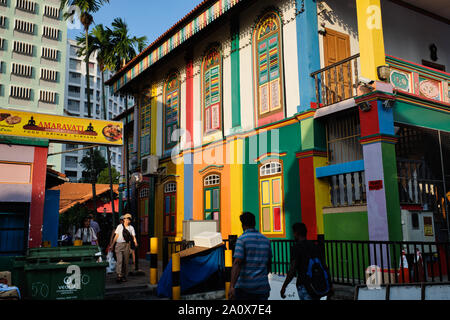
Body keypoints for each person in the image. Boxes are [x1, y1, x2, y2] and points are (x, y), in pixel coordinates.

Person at [280, 223, 332, 300]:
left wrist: (284, 287)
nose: (294, 235)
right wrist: (330, 285)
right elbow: (324, 265)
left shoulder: (296, 248)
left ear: (296, 233)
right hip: (316, 285)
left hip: (304, 286)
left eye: (293, 233)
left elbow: (292, 270)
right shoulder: (315, 245)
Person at [229, 212, 272, 300]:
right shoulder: (266, 240)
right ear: (254, 223)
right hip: (263, 288)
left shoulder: (242, 240)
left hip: (245, 290)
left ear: (242, 224)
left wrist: (232, 286)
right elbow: (269, 264)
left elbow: (237, 263)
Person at [107, 213, 138, 283]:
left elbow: (133, 236)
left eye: (128, 219)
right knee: (120, 260)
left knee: (125, 262)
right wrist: (112, 245)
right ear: (124, 220)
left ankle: (124, 275)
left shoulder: (131, 228)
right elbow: (116, 236)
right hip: (119, 245)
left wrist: (135, 242)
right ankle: (119, 275)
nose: (127, 220)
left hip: (127, 245)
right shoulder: (119, 227)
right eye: (126, 219)